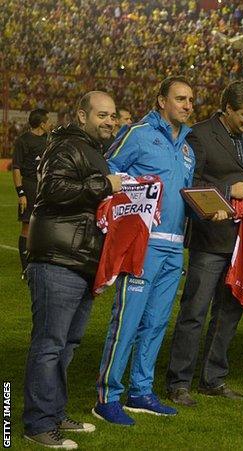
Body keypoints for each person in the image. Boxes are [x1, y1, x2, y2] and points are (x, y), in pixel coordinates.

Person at [93, 76, 195, 425]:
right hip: (143, 244)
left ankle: (141, 391)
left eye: (191, 99)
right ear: (161, 101)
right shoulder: (138, 134)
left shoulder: (187, 147)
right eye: (180, 98)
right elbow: (108, 168)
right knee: (128, 320)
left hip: (174, 247)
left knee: (155, 323)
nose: (187, 104)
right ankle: (108, 396)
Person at [23, 92, 121, 449]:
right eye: (102, 115)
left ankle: (54, 413)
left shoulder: (91, 149)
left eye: (113, 115)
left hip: (79, 259)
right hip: (58, 259)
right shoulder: (66, 145)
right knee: (50, 344)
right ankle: (37, 424)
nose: (110, 121)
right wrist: (104, 185)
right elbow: (51, 189)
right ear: (82, 115)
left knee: (66, 344)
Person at [166, 81, 243, 406]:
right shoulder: (200, 135)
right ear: (227, 109)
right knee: (194, 312)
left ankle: (213, 379)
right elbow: (192, 185)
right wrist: (227, 192)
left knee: (229, 313)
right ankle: (178, 383)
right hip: (209, 241)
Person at [12, 109, 53, 275]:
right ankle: (26, 269)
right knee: (27, 227)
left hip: (46, 187)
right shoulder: (23, 141)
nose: (51, 123)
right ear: (42, 124)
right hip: (29, 186)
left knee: (46, 226)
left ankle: (42, 262)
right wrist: (21, 193)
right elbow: (16, 168)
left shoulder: (49, 140)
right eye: (48, 121)